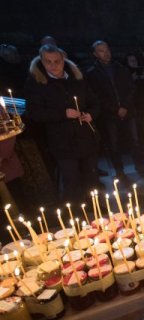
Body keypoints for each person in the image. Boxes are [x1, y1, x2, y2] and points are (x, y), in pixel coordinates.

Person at [25, 44, 100, 203]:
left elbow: (95, 102)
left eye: (57, 61)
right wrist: (62, 114)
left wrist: (90, 114)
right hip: (62, 143)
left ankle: (96, 210)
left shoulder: (76, 78)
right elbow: (33, 113)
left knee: (91, 177)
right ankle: (77, 215)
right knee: (72, 181)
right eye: (48, 62)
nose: (53, 66)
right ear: (42, 61)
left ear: (63, 60)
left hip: (85, 139)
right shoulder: (36, 83)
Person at [86, 41, 141, 177]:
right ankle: (119, 170)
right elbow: (96, 96)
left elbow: (131, 88)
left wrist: (125, 106)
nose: (106, 53)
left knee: (134, 139)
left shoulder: (120, 68)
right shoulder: (92, 74)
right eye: (101, 51)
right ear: (95, 54)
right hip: (109, 114)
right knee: (113, 142)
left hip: (128, 110)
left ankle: (140, 164)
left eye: (107, 50)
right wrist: (115, 108)